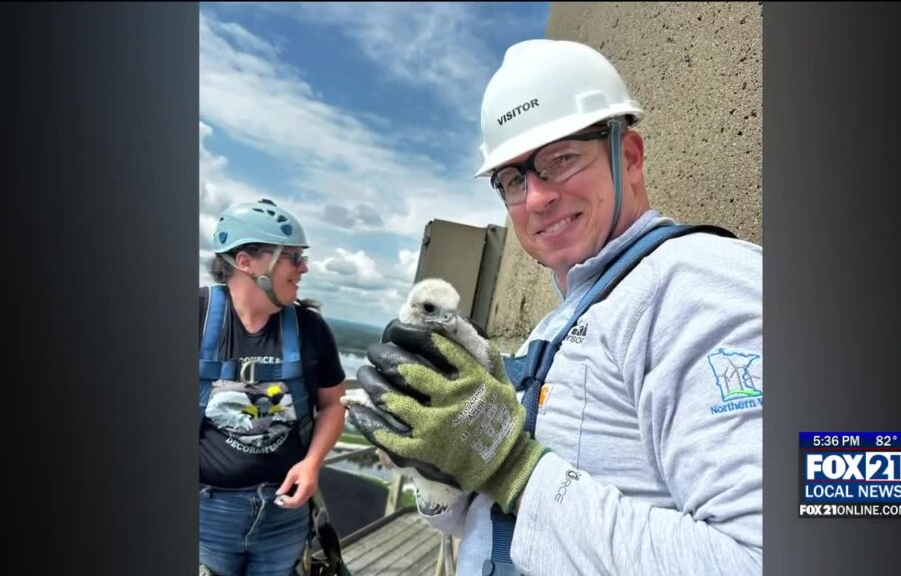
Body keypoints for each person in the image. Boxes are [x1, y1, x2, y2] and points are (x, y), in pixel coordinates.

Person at [347, 39, 762, 576]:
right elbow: (496, 523)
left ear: (628, 155)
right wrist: (442, 474)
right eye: (514, 180)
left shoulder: (698, 284)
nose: (537, 198)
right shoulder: (559, 326)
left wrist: (512, 464)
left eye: (560, 159)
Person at [198, 198, 347, 576]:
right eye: (292, 257)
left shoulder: (310, 330)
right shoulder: (195, 316)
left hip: (284, 515)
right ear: (245, 261)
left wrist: (312, 463)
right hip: (205, 514)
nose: (304, 268)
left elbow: (333, 404)